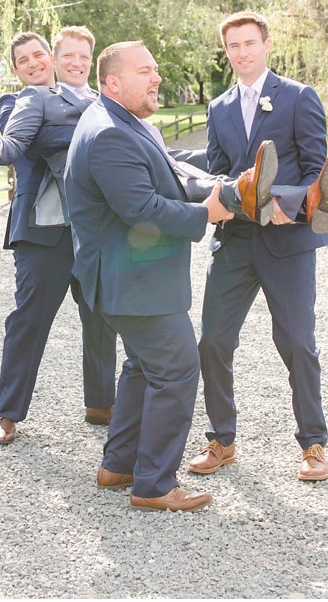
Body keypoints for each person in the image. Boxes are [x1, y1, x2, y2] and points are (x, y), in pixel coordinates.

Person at [65, 41, 233, 512]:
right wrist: (206, 215)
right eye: (146, 71)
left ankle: (118, 465)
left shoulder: (116, 121)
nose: (156, 78)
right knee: (178, 369)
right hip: (134, 284)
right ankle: (155, 484)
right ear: (113, 82)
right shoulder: (109, 133)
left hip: (128, 282)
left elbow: (158, 181)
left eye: (156, 69)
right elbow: (141, 209)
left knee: (143, 366)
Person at [187, 11, 328, 483]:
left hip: (288, 239)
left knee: (297, 343)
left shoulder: (298, 98)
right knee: (213, 340)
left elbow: (317, 168)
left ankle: (314, 444)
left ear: (266, 44)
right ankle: (221, 439)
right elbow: (218, 172)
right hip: (236, 237)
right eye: (233, 46)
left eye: (249, 43)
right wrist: (234, 199)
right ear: (227, 51)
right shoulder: (218, 109)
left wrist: (287, 202)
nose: (241, 53)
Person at [0, 28, 115, 444]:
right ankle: (7, 412)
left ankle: (101, 402)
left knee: (101, 316)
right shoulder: (17, 101)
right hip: (42, 232)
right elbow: (25, 141)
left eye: (37, 56)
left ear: (51, 57)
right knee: (29, 320)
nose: (32, 64)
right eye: (22, 61)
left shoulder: (94, 101)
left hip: (90, 230)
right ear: (17, 70)